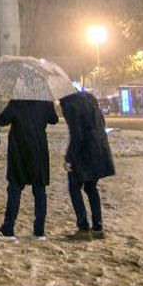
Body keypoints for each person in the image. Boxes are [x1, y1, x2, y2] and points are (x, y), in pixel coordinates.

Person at [0, 98, 58, 241]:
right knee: (39, 190)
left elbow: (2, 120)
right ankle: (39, 231)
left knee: (14, 188)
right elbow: (54, 119)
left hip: (19, 150)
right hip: (38, 149)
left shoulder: (17, 102)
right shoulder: (45, 101)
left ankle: (8, 229)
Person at [59, 89, 115, 241]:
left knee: (74, 187)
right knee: (91, 188)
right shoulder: (89, 98)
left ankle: (83, 227)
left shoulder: (69, 105)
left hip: (85, 152)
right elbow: (101, 123)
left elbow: (76, 134)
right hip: (100, 148)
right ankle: (98, 227)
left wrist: (69, 158)